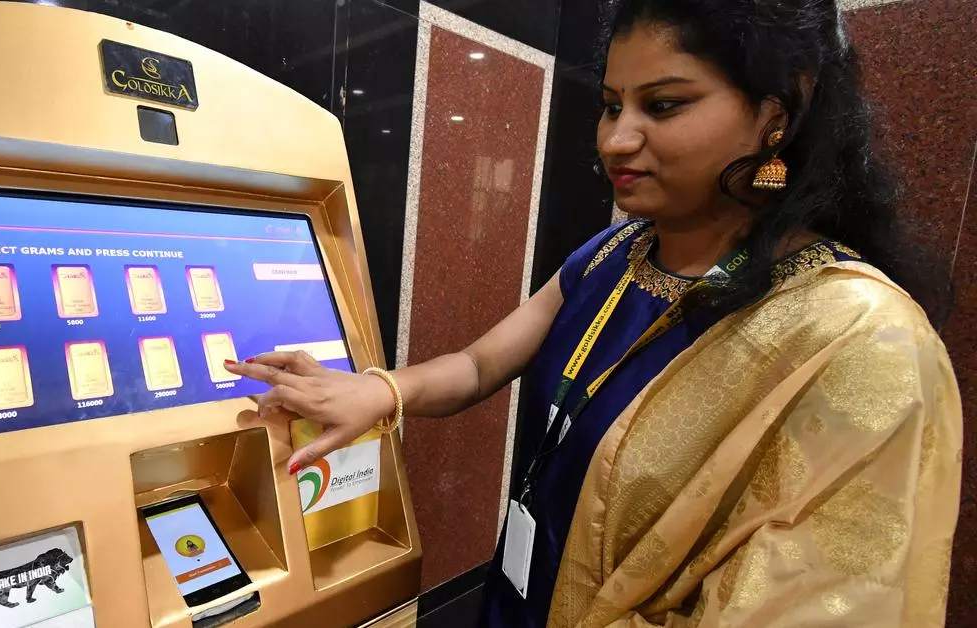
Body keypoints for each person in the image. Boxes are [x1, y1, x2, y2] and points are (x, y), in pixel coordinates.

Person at [224, 0, 962, 625]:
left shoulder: (859, 339)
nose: (616, 138)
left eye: (664, 105)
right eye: (611, 105)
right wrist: (379, 390)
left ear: (777, 111)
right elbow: (480, 364)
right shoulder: (617, 254)